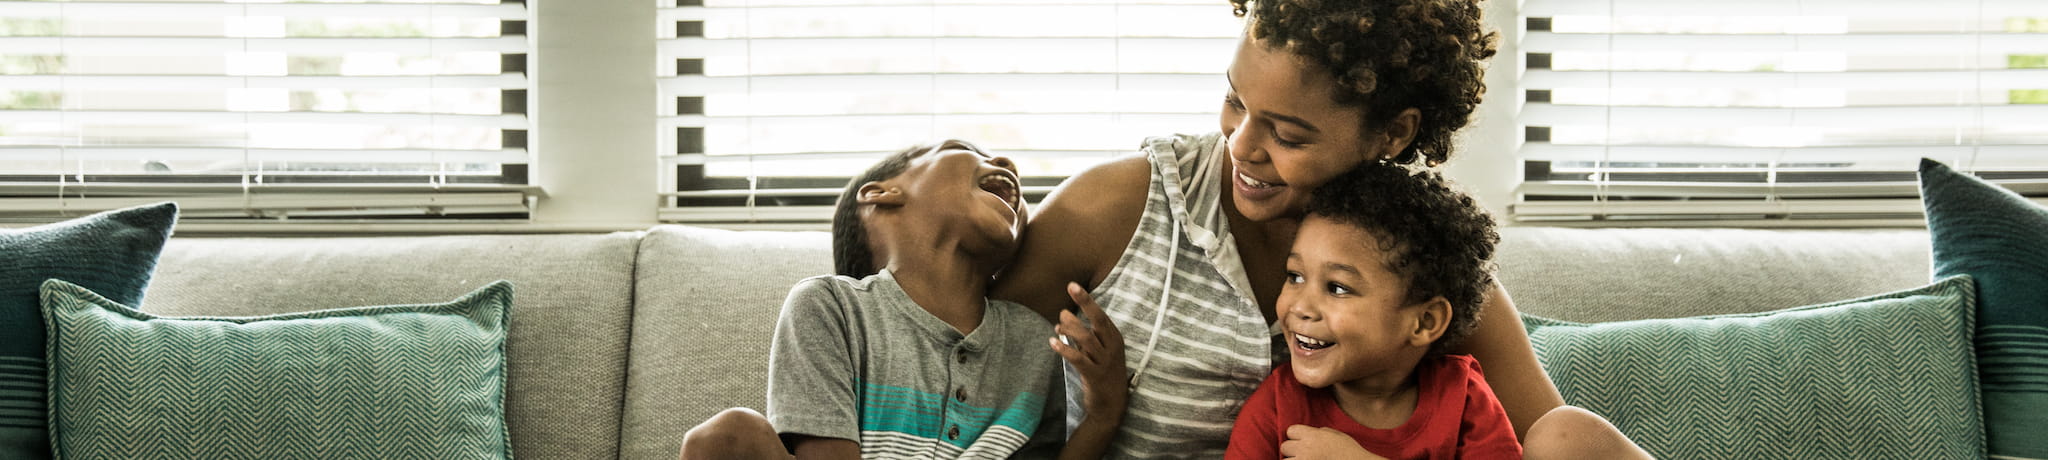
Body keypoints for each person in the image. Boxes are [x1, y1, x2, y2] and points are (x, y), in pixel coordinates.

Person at [990, 0, 1654, 458]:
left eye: (1288, 133)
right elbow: (955, 375)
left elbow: (1556, 441)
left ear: (1392, 134)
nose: (1242, 146)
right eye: (1236, 102)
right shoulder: (1119, 207)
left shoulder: (1418, 257)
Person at [677, 140, 1130, 460]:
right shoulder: (830, 308)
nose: (1004, 160)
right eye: (962, 146)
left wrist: (1104, 412)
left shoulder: (1037, 343)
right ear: (881, 195)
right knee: (729, 437)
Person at [1225, 164, 1516, 459]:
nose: (1300, 307)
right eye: (1295, 276)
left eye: (1337, 288)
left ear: (1424, 322)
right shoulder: (1276, 406)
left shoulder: (1463, 398)